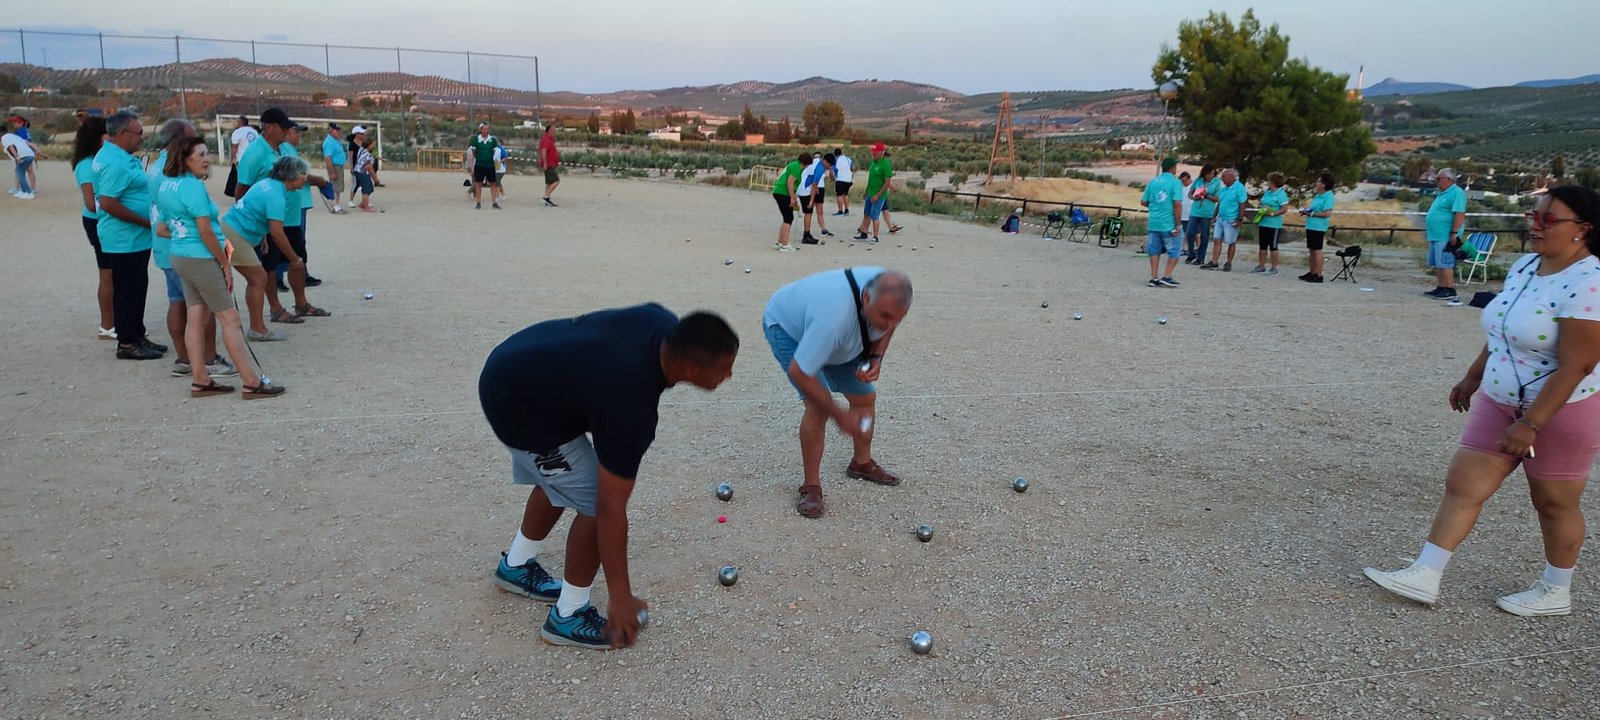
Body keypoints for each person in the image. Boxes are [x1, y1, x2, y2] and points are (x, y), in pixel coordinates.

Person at [1363, 185, 1600, 617]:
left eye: (1548, 219)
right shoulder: (1526, 265)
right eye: (1533, 216)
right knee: (1464, 483)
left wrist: (1531, 423)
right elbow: (1503, 329)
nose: (1535, 225)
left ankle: (1555, 590)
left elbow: (1577, 365)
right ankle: (1425, 573)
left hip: (1562, 410)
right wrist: (1473, 377)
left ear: (1582, 229)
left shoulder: (1589, 282)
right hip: (1500, 398)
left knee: (1553, 502)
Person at [479, 305, 739, 649]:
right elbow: (608, 509)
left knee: (566, 475)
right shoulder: (631, 407)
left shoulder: (658, 321)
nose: (729, 375)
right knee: (591, 498)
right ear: (691, 368)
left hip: (517, 363)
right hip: (517, 404)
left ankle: (515, 565)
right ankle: (568, 615)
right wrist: (621, 597)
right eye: (724, 368)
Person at [763, 267, 913, 518]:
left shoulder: (895, 296)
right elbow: (801, 372)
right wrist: (839, 414)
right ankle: (811, 486)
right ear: (866, 297)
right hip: (789, 329)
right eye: (885, 316)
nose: (891, 324)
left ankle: (861, 463)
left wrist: (876, 356)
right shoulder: (833, 318)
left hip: (838, 333)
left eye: (898, 318)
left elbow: (889, 324)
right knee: (817, 406)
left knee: (865, 397)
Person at [157, 136, 284, 399]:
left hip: (181, 256)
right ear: (185, 159)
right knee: (230, 319)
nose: (207, 159)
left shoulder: (166, 185)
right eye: (200, 155)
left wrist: (184, 237)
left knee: (196, 317)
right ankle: (251, 381)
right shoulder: (192, 187)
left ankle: (201, 379)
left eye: (207, 153)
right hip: (201, 258)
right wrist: (225, 263)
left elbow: (162, 228)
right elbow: (205, 231)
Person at [148, 119, 230, 380]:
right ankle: (209, 358)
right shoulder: (180, 176)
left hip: (168, 245)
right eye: (192, 140)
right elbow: (201, 226)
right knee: (203, 307)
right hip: (190, 247)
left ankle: (184, 358)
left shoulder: (157, 168)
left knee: (177, 300)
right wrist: (223, 261)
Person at [236, 108, 330, 320]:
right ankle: (276, 309)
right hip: (268, 223)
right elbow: (241, 192)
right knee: (270, 266)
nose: (288, 131)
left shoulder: (285, 148)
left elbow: (298, 175)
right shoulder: (254, 153)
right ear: (269, 127)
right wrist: (254, 227)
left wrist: (316, 181)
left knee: (298, 260)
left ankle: (301, 304)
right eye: (284, 127)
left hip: (292, 218)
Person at [94, 110, 166, 360]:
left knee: (136, 287)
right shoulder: (115, 163)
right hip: (124, 238)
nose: (142, 137)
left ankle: (137, 335)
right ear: (123, 133)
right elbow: (108, 203)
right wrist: (146, 222)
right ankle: (127, 343)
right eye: (138, 133)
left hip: (132, 238)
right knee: (127, 290)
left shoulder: (118, 156)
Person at [222, 156, 308, 342]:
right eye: (303, 174)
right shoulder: (276, 195)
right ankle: (257, 329)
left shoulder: (266, 184)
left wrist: (261, 236)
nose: (305, 178)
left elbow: (253, 209)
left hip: (230, 230)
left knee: (253, 278)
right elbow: (277, 233)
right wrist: (295, 259)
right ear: (290, 175)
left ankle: (256, 327)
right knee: (258, 279)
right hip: (235, 236)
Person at [72, 116, 115, 339]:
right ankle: (107, 326)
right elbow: (91, 203)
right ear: (99, 137)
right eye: (109, 133)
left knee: (115, 274)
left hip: (106, 220)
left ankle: (117, 321)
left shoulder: (100, 159)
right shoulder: (87, 164)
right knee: (107, 274)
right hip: (98, 221)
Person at [1425, 168, 1469, 301]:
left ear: (1449, 179)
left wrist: (1454, 233)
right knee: (1438, 263)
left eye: (1439, 179)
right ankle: (1441, 286)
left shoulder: (1457, 193)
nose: (1436, 181)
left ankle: (1450, 289)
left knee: (1445, 262)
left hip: (1445, 235)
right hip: (1436, 235)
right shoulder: (1442, 193)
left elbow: (1459, 213)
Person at [1141, 157, 1185, 288]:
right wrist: (1178, 223)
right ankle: (1167, 275)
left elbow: (1144, 201)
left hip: (1154, 222)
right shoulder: (1175, 183)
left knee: (1154, 250)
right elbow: (1177, 204)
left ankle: (1154, 277)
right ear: (1173, 168)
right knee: (1175, 249)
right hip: (1168, 222)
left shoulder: (1153, 181)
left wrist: (1156, 206)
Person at [1202, 168, 1248, 271]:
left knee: (1231, 242)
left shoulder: (1239, 188)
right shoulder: (1223, 189)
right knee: (1217, 239)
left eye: (1224, 177)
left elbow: (1242, 204)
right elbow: (1220, 203)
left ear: (1231, 177)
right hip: (1221, 218)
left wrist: (1239, 219)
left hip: (1231, 219)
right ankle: (1214, 261)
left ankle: (1229, 262)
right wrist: (1214, 216)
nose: (1222, 179)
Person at [1299, 173, 1337, 283]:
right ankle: (1312, 272)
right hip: (1311, 225)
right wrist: (1306, 211)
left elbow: (1327, 213)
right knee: (1311, 250)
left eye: (1319, 181)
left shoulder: (1328, 197)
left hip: (1319, 227)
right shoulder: (1318, 195)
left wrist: (1312, 214)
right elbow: (1314, 208)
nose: (1317, 183)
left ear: (1324, 184)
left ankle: (1319, 275)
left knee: (1317, 250)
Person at [852, 143, 893, 243]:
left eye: (875, 152)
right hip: (870, 193)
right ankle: (864, 233)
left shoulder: (885, 164)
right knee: (867, 213)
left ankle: (875, 236)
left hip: (879, 195)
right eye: (873, 152)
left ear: (881, 152)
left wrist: (877, 195)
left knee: (875, 216)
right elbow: (871, 179)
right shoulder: (873, 163)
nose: (873, 154)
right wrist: (866, 191)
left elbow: (887, 183)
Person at [1252, 172, 1289, 275]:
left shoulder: (1281, 194)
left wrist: (1273, 213)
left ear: (1273, 182)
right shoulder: (1267, 193)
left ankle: (1274, 268)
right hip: (1264, 222)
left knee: (1273, 246)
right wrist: (1261, 207)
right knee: (1262, 245)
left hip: (1274, 224)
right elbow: (1261, 203)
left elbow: (1284, 209)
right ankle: (1261, 265)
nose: (1267, 182)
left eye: (1268, 180)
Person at [1185, 164, 1221, 265]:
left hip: (1207, 212)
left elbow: (1217, 198)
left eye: (1212, 174)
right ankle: (1191, 253)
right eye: (1208, 174)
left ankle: (1200, 257)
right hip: (1195, 210)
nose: (1210, 176)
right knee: (1190, 233)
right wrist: (1194, 197)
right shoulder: (1198, 180)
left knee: (1204, 235)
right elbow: (1190, 194)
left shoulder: (1217, 183)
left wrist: (1206, 195)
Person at [772, 152, 807, 252]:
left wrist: (794, 198)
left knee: (787, 217)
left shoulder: (793, 165)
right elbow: (790, 182)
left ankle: (779, 241)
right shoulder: (797, 168)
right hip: (783, 193)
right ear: (805, 163)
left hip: (780, 192)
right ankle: (785, 244)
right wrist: (792, 198)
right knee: (788, 218)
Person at [468, 123, 502, 210]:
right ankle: (478, 202)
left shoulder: (492, 140)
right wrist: (477, 160)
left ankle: (494, 202)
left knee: (493, 183)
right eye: (484, 129)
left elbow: (494, 152)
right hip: (479, 165)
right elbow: (473, 152)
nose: (486, 131)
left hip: (490, 165)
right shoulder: (476, 140)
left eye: (487, 129)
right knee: (478, 183)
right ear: (481, 130)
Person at [226, 115, 259, 199]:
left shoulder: (238, 132)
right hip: (254, 160)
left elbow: (235, 147)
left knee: (240, 181)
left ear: (240, 123)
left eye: (237, 122)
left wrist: (232, 159)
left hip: (242, 160)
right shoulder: (254, 132)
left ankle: (239, 199)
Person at [796, 151, 826, 244]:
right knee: (808, 213)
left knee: (809, 213)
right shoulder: (820, 167)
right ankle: (806, 235)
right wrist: (812, 200)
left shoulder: (814, 163)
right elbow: (814, 185)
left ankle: (807, 233)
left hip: (803, 188)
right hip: (805, 190)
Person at [3, 122, 38, 199]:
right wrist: (38, 152)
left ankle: (28, 192)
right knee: (20, 172)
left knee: (20, 173)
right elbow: (30, 144)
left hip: (23, 155)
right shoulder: (16, 135)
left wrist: (17, 157)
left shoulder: (6, 137)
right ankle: (24, 191)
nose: (14, 124)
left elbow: (11, 147)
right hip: (29, 154)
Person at [322, 123, 346, 213]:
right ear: (331, 130)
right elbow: (328, 158)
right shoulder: (329, 142)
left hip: (338, 166)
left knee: (338, 187)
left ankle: (337, 205)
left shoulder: (335, 140)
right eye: (336, 130)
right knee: (335, 187)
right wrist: (333, 172)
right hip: (334, 166)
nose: (338, 132)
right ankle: (335, 206)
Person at [352, 138, 377, 212]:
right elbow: (370, 167)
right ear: (369, 145)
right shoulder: (368, 156)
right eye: (373, 144)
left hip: (358, 171)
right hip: (362, 172)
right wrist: (376, 179)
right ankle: (366, 207)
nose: (374, 145)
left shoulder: (361, 150)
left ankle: (363, 204)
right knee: (366, 189)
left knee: (369, 187)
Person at [539, 124, 560, 207]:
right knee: (556, 181)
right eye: (552, 130)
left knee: (549, 182)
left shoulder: (550, 140)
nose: (554, 132)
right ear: (548, 131)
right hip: (549, 165)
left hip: (551, 164)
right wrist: (545, 163)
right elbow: (543, 151)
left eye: (554, 131)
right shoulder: (546, 140)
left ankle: (547, 199)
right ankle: (546, 197)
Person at [347, 126, 368, 205]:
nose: (363, 135)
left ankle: (364, 201)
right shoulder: (352, 144)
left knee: (365, 183)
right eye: (361, 134)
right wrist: (351, 167)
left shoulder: (364, 143)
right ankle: (351, 200)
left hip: (364, 166)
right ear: (356, 134)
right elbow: (350, 156)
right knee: (355, 184)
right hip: (356, 167)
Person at [832, 147, 854, 215]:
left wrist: (832, 178)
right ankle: (846, 210)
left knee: (839, 195)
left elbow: (832, 170)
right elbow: (853, 167)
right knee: (845, 194)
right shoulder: (848, 158)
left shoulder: (835, 159)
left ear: (834, 154)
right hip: (848, 179)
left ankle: (840, 210)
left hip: (840, 179)